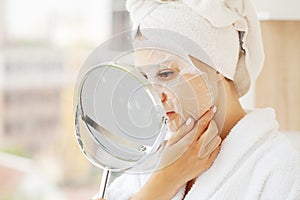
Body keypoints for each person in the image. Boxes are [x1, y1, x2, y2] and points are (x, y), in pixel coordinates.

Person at [101, 0, 300, 199]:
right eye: (145, 78)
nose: (154, 97)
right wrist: (165, 179)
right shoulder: (154, 163)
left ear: (218, 66)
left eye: (166, 74)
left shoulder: (282, 173)